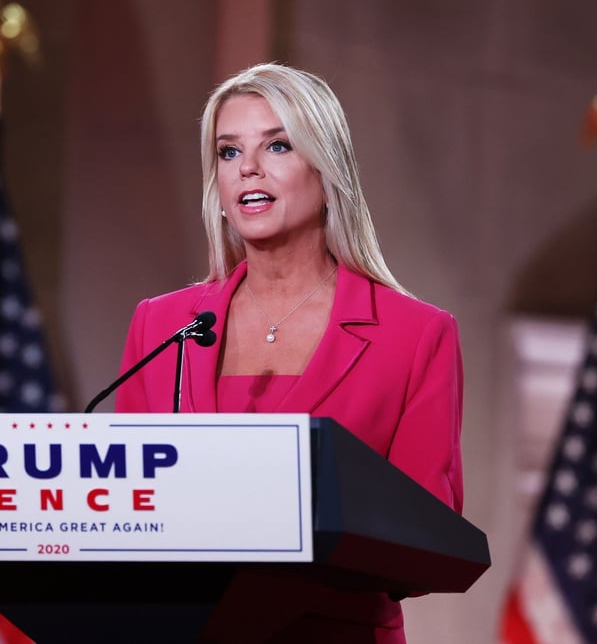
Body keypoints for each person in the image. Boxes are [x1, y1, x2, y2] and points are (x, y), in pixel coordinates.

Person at [114, 63, 464, 643]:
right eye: (228, 151)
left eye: (277, 145)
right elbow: (127, 502)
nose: (247, 167)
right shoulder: (162, 326)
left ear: (327, 173)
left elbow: (426, 537)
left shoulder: (416, 336)